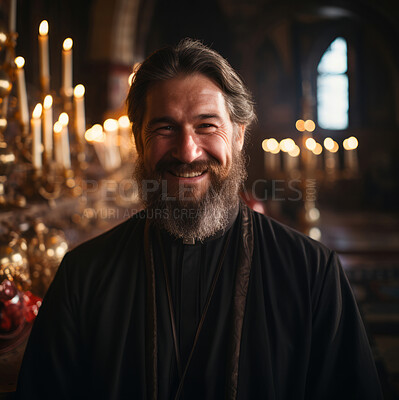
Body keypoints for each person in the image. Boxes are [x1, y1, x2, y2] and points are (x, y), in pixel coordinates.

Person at [16, 38, 382, 400]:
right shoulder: (83, 276)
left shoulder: (312, 273)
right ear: (139, 141)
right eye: (164, 128)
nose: (187, 152)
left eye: (207, 126)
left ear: (238, 135)